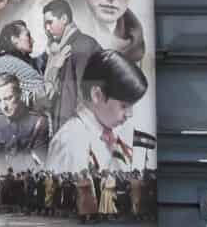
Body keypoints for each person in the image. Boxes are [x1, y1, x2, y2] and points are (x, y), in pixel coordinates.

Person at [48, 48, 148, 176]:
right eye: (124, 106)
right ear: (96, 95)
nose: (129, 114)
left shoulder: (106, 134)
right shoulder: (73, 141)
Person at [39, 0, 102, 125]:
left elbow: (87, 97)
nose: (47, 28)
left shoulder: (82, 45)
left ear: (64, 19)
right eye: (45, 24)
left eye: (50, 22)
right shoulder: (58, 49)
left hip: (76, 129)